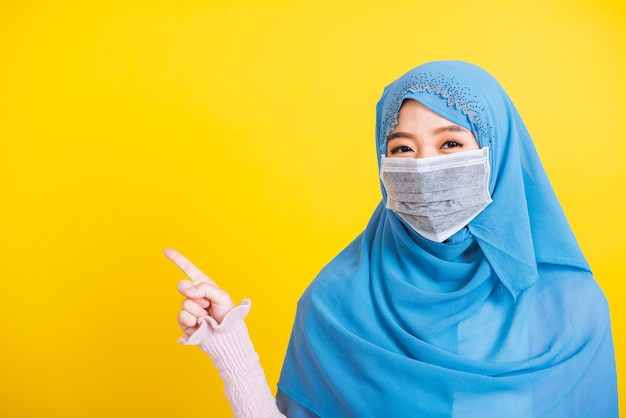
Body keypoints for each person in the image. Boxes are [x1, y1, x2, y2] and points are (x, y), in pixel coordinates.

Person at [165, 60, 618, 417]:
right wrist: (230, 347)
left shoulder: (570, 308)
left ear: (496, 155)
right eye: (403, 148)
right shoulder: (335, 302)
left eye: (450, 144)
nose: (423, 167)